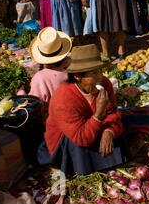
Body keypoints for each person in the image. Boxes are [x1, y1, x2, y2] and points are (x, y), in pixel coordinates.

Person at [38, 44, 130, 175]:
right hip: (69, 141)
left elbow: (113, 113)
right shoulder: (64, 96)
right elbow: (81, 138)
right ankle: (88, 168)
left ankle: (105, 161)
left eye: (100, 71)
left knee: (117, 130)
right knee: (78, 145)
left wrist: (109, 131)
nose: (99, 77)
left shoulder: (105, 84)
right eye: (93, 73)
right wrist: (98, 113)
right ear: (77, 76)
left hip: (92, 129)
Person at [17, 27, 72, 115]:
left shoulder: (40, 78)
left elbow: (33, 106)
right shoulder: (73, 64)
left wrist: (20, 92)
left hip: (53, 119)